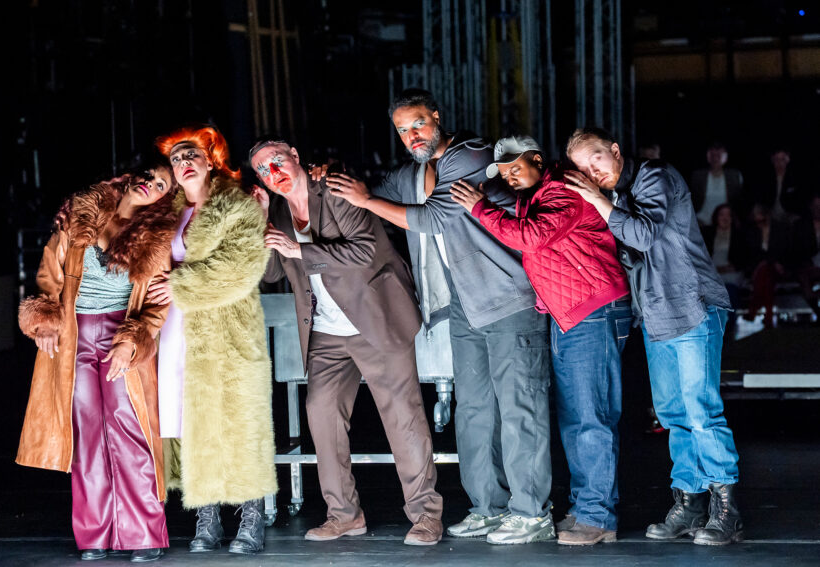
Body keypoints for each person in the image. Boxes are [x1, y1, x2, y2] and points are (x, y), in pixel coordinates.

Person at [326, 89, 553, 545]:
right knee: (474, 411)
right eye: (402, 130)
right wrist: (326, 180)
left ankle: (532, 512)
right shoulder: (416, 172)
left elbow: (432, 219)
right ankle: (488, 507)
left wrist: (368, 201)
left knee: (519, 409)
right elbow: (366, 193)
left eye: (418, 124)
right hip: (465, 305)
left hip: (509, 300)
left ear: (437, 116)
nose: (412, 135)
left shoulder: (472, 155)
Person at [249, 135, 444, 546]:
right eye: (264, 170)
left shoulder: (335, 189)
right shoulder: (280, 213)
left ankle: (426, 515)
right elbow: (269, 274)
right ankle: (344, 514)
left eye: (278, 161)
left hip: (376, 320)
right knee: (320, 412)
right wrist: (261, 222)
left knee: (403, 419)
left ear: (296, 157)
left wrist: (300, 252)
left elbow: (366, 252)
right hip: (326, 330)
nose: (274, 173)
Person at [449, 136, 632, 545]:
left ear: (537, 159)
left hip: (592, 309)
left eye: (517, 168)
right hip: (571, 314)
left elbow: (529, 238)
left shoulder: (563, 191)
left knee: (591, 418)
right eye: (504, 172)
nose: (511, 177)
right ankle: (587, 507)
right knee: (576, 419)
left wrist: (477, 208)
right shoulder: (534, 195)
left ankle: (598, 518)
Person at [565, 127, 742, 546]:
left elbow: (643, 234)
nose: (592, 174)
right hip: (657, 315)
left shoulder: (654, 176)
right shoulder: (618, 198)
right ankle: (689, 503)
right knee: (673, 415)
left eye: (596, 161)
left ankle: (727, 510)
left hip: (693, 304)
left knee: (701, 411)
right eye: (582, 171)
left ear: (614, 150)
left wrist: (596, 201)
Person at [17, 161, 178, 562]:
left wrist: (133, 344)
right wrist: (44, 321)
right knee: (86, 438)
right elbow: (48, 276)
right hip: (72, 338)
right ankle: (94, 536)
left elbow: (157, 306)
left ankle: (144, 534)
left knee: (131, 432)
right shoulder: (81, 215)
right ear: (130, 176)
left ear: (163, 197)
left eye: (161, 184)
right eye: (149, 174)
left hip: (121, 337)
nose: (151, 184)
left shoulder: (156, 237)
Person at [148, 125, 275, 555]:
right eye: (176, 158)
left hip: (227, 329)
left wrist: (182, 282)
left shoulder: (237, 205)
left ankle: (251, 519)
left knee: (235, 419)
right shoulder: (167, 212)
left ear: (210, 159)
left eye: (191, 155)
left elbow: (244, 264)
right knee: (187, 419)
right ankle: (206, 517)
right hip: (176, 330)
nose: (183, 163)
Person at [742, 204, 793, 329]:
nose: (759, 222)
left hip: (779, 267)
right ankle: (767, 315)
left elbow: (786, 251)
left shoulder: (780, 229)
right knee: (766, 275)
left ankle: (753, 309)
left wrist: (774, 262)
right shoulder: (752, 231)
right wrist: (769, 262)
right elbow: (752, 253)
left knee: (765, 273)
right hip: (760, 268)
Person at [690, 142, 745, 227]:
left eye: (719, 155)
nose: (715, 158)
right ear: (708, 157)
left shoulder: (735, 176)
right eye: (712, 155)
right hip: (701, 222)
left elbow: (739, 201)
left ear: (725, 158)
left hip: (725, 223)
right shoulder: (697, 176)